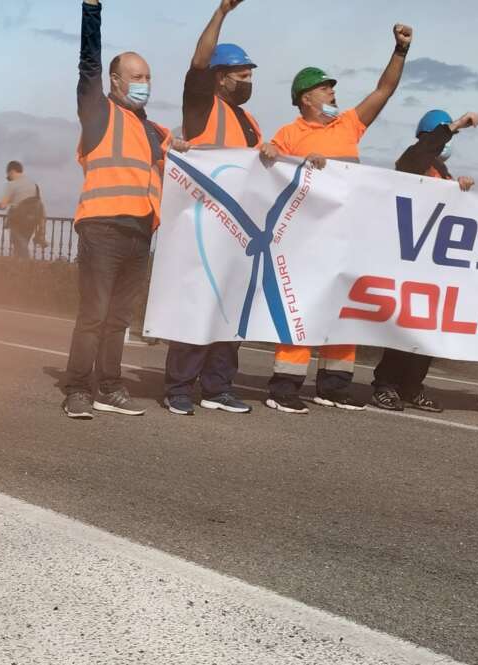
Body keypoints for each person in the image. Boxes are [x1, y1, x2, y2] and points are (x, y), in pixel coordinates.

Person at [261, 23, 413, 414]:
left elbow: (384, 91)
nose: (333, 92)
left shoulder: (348, 123)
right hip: (307, 237)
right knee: (304, 305)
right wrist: (280, 156)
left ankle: (334, 384)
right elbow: (266, 167)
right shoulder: (289, 133)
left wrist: (399, 51)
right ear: (305, 97)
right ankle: (285, 385)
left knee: (343, 309)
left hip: (347, 236)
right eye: (325, 88)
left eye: (332, 87)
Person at [63, 0, 190, 420]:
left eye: (148, 77)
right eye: (136, 77)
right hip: (102, 229)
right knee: (94, 316)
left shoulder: (156, 132)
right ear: (116, 81)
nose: (145, 83)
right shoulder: (99, 113)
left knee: (119, 319)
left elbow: (183, 168)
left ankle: (110, 386)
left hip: (139, 234)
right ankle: (78, 390)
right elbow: (88, 67)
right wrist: (92, 11)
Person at [163, 0, 257, 417]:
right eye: (242, 75)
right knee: (196, 304)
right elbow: (198, 64)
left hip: (237, 231)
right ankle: (179, 386)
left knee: (230, 309)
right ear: (221, 79)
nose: (248, 81)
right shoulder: (203, 107)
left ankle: (217, 386)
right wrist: (221, 13)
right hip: (202, 223)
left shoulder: (249, 121)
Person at [370, 109, 478, 414]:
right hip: (408, 262)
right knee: (403, 328)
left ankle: (411, 387)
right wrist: (454, 126)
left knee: (426, 331)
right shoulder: (411, 163)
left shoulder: (443, 175)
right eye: (442, 136)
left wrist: (461, 190)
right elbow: (420, 155)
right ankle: (386, 385)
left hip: (433, 266)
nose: (447, 143)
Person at [0, 160, 46, 259]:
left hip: (17, 220)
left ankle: (25, 268)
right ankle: (20, 268)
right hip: (32, 220)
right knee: (22, 245)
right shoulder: (33, 184)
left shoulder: (12, 184)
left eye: (8, 174)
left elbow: (3, 205)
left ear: (11, 171)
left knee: (20, 247)